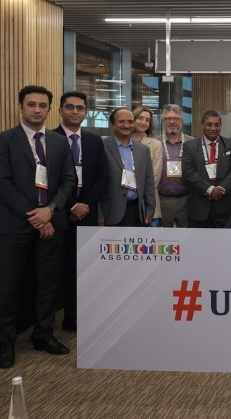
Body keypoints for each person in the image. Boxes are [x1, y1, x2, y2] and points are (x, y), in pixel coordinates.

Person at [0, 85, 77, 367]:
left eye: (42, 105)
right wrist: (35, 215)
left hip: (52, 223)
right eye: (31, 104)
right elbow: (3, 183)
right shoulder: (5, 140)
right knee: (7, 288)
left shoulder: (58, 142)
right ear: (20, 107)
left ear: (49, 109)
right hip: (14, 226)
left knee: (48, 285)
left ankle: (43, 334)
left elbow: (69, 181)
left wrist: (50, 211)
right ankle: (4, 342)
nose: (36, 109)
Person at [53, 91, 109, 332]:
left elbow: (102, 176)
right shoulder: (50, 139)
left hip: (86, 213)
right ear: (60, 111)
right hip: (57, 213)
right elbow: (49, 181)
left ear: (85, 113)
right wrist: (70, 206)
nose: (75, 112)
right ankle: (53, 321)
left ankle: (76, 318)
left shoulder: (95, 141)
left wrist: (84, 205)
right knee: (58, 269)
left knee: (84, 267)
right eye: (70, 107)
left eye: (79, 108)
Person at [181, 109, 231, 228]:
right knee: (198, 244)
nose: (213, 128)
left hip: (223, 207)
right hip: (199, 207)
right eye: (209, 124)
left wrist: (221, 189)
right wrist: (209, 189)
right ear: (202, 124)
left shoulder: (229, 144)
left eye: (217, 124)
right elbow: (188, 172)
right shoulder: (189, 146)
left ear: (220, 126)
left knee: (223, 244)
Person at [100, 108, 156, 227]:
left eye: (130, 122)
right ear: (112, 124)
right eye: (121, 122)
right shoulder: (101, 147)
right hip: (110, 212)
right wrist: (99, 213)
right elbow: (95, 183)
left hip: (137, 212)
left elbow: (148, 182)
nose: (126, 125)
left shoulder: (143, 150)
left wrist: (150, 209)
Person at [156, 104, 194, 228]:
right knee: (163, 239)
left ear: (181, 121)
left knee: (187, 238)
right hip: (162, 200)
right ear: (163, 121)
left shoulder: (192, 143)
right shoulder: (154, 143)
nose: (172, 122)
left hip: (187, 200)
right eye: (168, 119)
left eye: (176, 119)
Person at [132, 106, 163, 225]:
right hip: (124, 200)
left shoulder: (155, 144)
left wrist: (132, 187)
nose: (143, 122)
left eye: (147, 120)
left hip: (148, 201)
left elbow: (155, 176)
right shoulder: (122, 142)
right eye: (140, 118)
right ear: (133, 119)